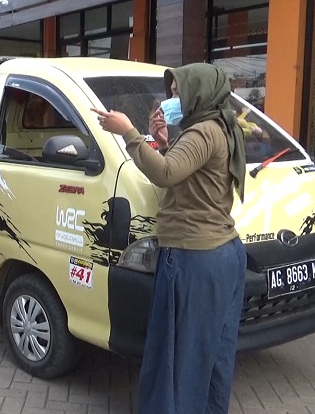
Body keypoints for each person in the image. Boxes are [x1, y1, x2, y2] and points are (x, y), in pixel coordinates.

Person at [92, 63, 247, 414]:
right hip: (223, 253)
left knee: (179, 360)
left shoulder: (203, 132)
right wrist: (164, 143)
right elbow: (189, 172)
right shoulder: (219, 125)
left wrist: (129, 133)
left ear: (199, 93)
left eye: (178, 93)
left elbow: (165, 174)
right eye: (172, 92)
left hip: (196, 258)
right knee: (212, 356)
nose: (172, 99)